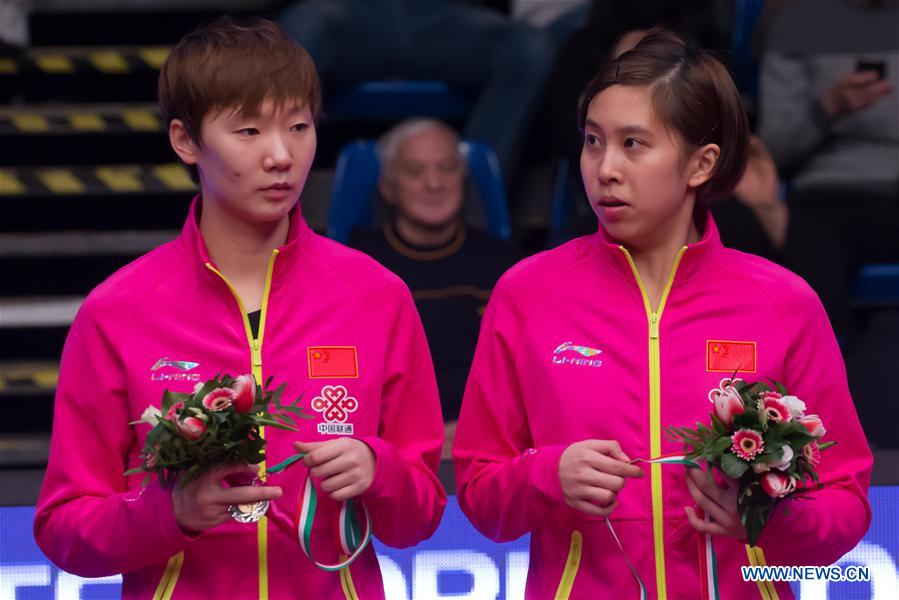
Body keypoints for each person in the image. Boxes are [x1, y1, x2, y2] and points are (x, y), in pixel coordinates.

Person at [33, 17, 446, 599]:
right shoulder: (118, 311)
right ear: (185, 141)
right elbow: (62, 530)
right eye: (249, 131)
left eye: (299, 126)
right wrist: (168, 512)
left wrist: (380, 470)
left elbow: (422, 516)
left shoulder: (377, 296)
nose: (282, 155)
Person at [453, 30, 872, 599]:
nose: (604, 169)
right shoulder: (527, 294)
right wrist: (545, 475)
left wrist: (770, 518)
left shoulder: (783, 302)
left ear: (701, 164)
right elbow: (479, 495)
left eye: (633, 144)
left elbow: (846, 502)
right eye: (593, 141)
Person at [349, 118, 522, 458]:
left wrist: (474, 432)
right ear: (388, 186)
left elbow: (521, 378)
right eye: (415, 171)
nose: (434, 183)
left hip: (483, 446)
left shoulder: (507, 267)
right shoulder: (357, 267)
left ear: (464, 178)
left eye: (447, 169)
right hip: (387, 451)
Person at [278, 0, 555, 187]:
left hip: (443, 15)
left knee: (528, 49)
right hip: (345, 13)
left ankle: (474, 205)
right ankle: (274, 192)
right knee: (295, 35)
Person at [758, 0, 899, 340]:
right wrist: (826, 108)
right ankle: (829, 384)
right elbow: (770, 149)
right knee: (806, 249)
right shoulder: (799, 24)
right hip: (829, 189)